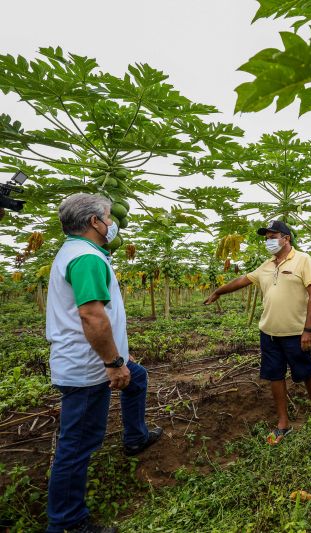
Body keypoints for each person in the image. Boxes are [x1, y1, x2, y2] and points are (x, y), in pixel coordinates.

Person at [46, 193, 162, 533]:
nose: (113, 223)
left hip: (94, 357)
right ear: (95, 222)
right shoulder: (86, 258)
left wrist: (122, 355)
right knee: (78, 443)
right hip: (89, 367)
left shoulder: (79, 252)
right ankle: (67, 522)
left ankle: (136, 437)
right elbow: (92, 316)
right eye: (109, 217)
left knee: (137, 377)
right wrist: (113, 362)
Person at [205, 220, 311, 444]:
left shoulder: (303, 260)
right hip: (269, 334)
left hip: (295, 333)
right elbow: (243, 280)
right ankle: (283, 423)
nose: (268, 241)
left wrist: (308, 330)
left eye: (272, 237)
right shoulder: (266, 265)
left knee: (307, 373)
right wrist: (219, 291)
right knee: (275, 376)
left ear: (286, 238)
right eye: (267, 238)